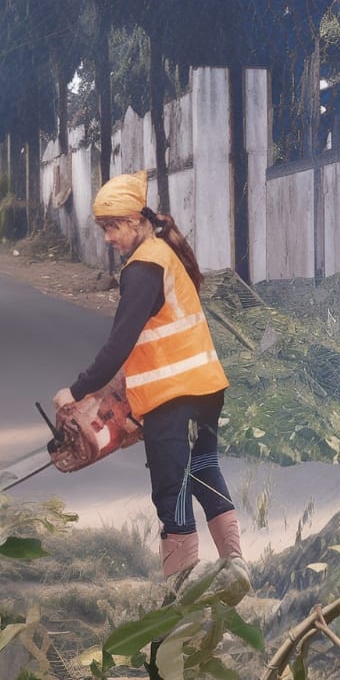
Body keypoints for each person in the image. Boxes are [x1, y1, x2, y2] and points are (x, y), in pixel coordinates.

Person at [54, 170, 249, 605]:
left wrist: (78, 390)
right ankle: (235, 568)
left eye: (113, 227)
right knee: (203, 471)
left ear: (136, 221)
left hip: (173, 401)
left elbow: (118, 343)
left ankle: (179, 596)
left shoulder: (143, 269)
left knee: (172, 489)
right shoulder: (164, 254)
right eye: (103, 229)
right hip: (205, 390)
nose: (108, 238)